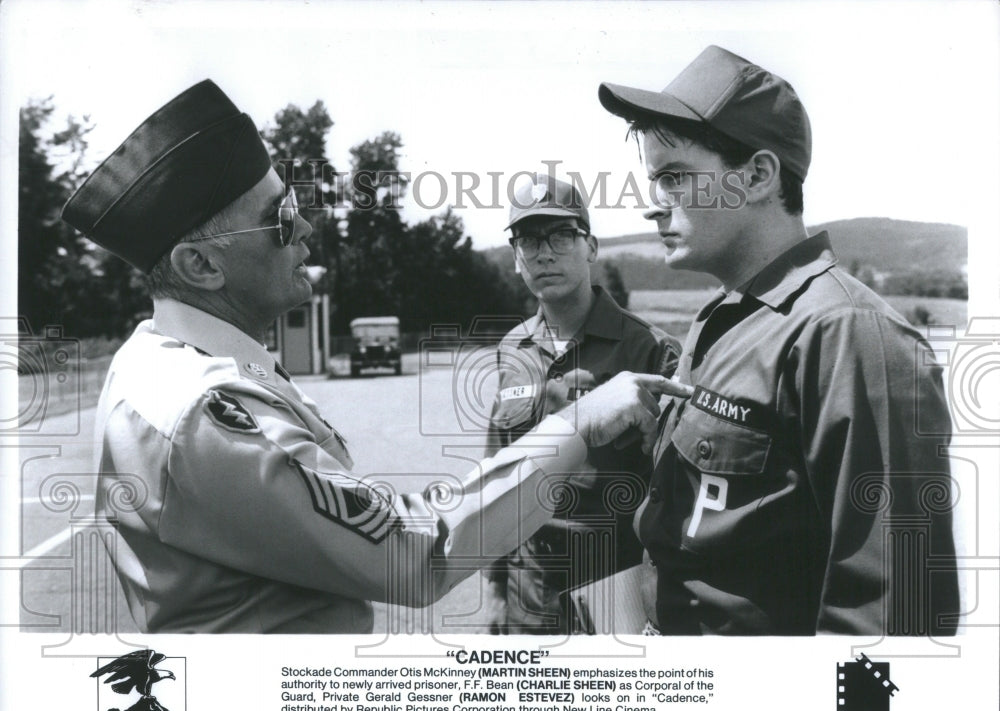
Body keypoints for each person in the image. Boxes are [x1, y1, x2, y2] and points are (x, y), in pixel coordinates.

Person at [61, 79, 690, 633]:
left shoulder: (158, 365)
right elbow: (413, 555)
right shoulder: (206, 408)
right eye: (281, 218)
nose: (306, 228)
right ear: (200, 265)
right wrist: (576, 426)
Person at [598, 45, 960, 635]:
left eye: (674, 177)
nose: (651, 205)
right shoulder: (722, 316)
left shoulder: (849, 337)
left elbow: (895, 621)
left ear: (760, 176)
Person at [482, 174, 680, 634]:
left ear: (591, 247)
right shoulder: (512, 350)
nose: (544, 253)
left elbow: (675, 502)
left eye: (561, 236)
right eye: (529, 240)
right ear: (515, 256)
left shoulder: (651, 351)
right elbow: (496, 478)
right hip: (527, 602)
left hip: (616, 596)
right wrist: (495, 592)